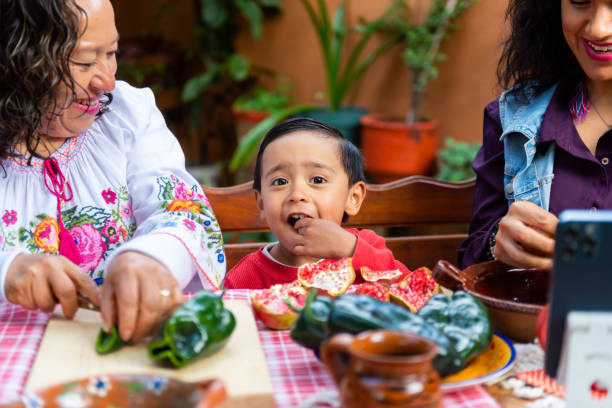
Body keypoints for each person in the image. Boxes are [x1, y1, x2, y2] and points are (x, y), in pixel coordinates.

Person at [0, 0, 225, 342]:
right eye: (85, 61)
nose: (107, 81)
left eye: (112, 52)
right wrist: (8, 268)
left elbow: (185, 212)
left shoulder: (127, 116)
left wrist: (152, 256)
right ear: (16, 60)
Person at [459, 0, 612, 270]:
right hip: (534, 312)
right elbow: (471, 262)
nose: (599, 29)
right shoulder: (512, 118)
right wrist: (498, 242)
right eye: (580, 1)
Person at [224, 118, 409, 289]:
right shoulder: (244, 277)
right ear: (262, 204)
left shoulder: (367, 246)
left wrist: (352, 250)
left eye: (318, 180)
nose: (297, 194)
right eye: (280, 182)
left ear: (353, 198)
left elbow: (406, 287)